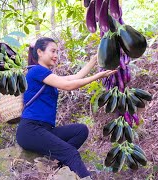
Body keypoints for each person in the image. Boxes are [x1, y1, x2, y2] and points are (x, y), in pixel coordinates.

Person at [16, 37, 117, 179]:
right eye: (52, 51)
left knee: (80, 130)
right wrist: (97, 76)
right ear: (40, 52)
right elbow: (69, 86)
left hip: (44, 130)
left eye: (57, 51)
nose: (56, 55)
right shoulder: (36, 71)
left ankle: (56, 163)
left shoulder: (48, 75)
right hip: (30, 130)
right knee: (70, 153)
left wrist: (94, 60)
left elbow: (76, 77)